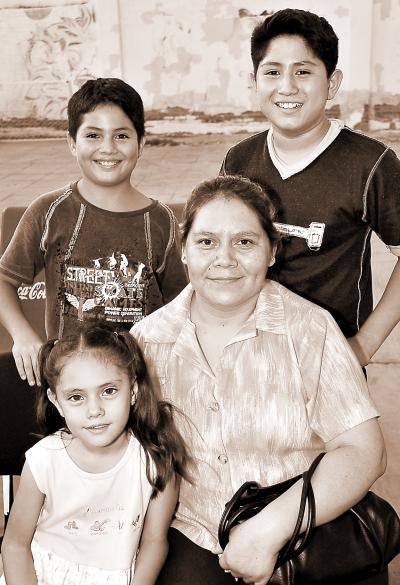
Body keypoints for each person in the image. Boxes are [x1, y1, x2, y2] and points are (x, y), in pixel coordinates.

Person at [131, 175, 387, 585]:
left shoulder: (310, 329)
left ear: (271, 251)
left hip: (303, 536)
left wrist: (267, 531)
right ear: (184, 251)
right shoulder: (147, 340)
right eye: (207, 241)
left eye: (245, 242)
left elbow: (362, 451)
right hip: (192, 534)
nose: (225, 259)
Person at [220, 8, 400, 368]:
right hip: (249, 359)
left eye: (303, 71)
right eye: (272, 72)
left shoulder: (370, 164)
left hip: (329, 363)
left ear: (332, 83)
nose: (287, 87)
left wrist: (362, 346)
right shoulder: (238, 161)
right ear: (253, 82)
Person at [0, 77, 187, 387]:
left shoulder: (162, 222)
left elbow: (182, 306)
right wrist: (22, 334)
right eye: (93, 135)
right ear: (72, 143)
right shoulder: (50, 211)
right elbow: (3, 280)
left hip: (142, 384)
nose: (107, 148)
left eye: (121, 136)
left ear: (141, 143)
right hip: (69, 383)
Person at [0, 322, 192, 585]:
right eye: (76, 397)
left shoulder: (156, 461)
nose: (95, 410)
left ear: (133, 391)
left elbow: (154, 542)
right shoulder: (44, 460)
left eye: (109, 391)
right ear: (56, 401)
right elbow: (14, 545)